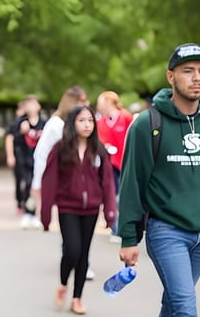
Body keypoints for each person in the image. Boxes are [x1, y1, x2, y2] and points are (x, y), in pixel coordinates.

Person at [118, 43, 200, 315]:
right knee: (185, 307)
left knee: (173, 303)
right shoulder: (147, 124)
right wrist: (129, 238)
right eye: (188, 71)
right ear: (171, 76)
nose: (196, 78)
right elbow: (132, 182)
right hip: (167, 231)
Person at [40, 105, 116, 315]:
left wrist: (110, 213)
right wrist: (45, 215)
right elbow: (49, 181)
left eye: (90, 121)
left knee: (83, 254)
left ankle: (77, 298)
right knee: (72, 249)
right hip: (67, 207)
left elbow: (108, 183)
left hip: (91, 208)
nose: (87, 125)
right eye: (82, 120)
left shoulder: (98, 150)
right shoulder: (61, 149)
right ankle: (63, 283)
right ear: (73, 123)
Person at [30, 85, 96, 280]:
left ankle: (77, 260)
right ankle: (74, 260)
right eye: (82, 101)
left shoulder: (76, 124)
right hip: (63, 184)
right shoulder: (56, 125)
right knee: (71, 228)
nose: (86, 105)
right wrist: (38, 183)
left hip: (81, 184)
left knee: (82, 231)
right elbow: (41, 155)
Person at [95, 91, 133, 243]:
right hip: (109, 165)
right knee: (110, 195)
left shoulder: (126, 118)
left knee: (123, 197)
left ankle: (124, 228)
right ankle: (115, 227)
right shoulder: (101, 121)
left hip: (125, 163)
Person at [4, 95, 46, 228]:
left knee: (35, 186)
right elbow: (9, 138)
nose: (31, 106)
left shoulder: (44, 123)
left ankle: (32, 213)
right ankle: (27, 212)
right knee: (27, 184)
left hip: (38, 160)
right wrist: (10, 155)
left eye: (34, 103)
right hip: (23, 159)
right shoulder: (20, 122)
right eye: (28, 104)